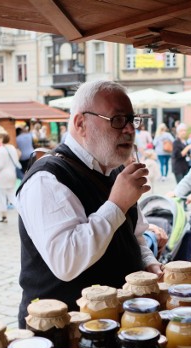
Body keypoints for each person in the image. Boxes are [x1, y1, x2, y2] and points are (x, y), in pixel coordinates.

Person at [15, 80, 162, 327]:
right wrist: (116, 204)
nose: (129, 130)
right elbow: (66, 262)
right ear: (81, 123)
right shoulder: (46, 178)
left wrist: (148, 262)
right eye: (117, 119)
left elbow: (134, 235)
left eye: (132, 119)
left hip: (115, 321)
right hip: (63, 332)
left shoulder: (114, 170)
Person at [0, 133, 20, 224]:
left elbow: (0, 165)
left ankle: (3, 216)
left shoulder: (0, 150)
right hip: (12, 174)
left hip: (2, 175)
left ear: (1, 139)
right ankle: (23, 212)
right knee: (12, 195)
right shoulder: (12, 148)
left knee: (1, 196)